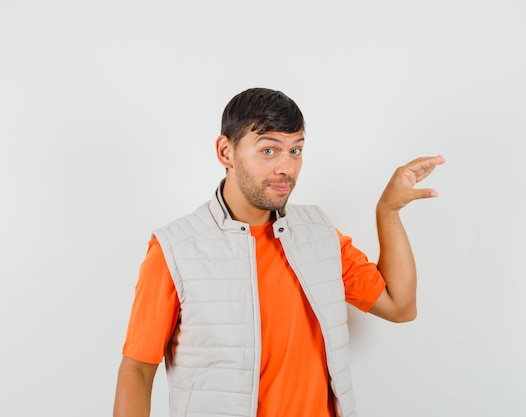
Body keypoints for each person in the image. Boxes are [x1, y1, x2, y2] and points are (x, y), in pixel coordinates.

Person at [113, 87, 445, 417]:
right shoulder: (175, 250)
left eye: (296, 150)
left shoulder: (319, 234)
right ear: (226, 152)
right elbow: (138, 371)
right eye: (269, 151)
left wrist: (387, 212)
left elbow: (400, 306)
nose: (286, 167)